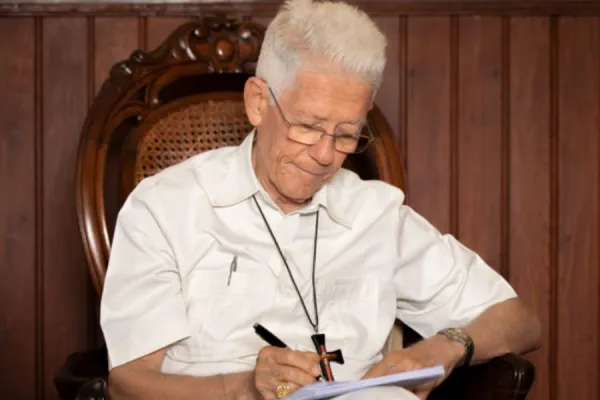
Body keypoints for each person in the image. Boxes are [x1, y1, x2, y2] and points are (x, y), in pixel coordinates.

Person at [100, 0, 541, 399]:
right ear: (258, 103)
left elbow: (519, 320)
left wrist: (446, 348)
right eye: (308, 126)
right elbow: (126, 384)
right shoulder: (165, 207)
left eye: (347, 134)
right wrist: (242, 388)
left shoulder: (376, 214)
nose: (326, 155)